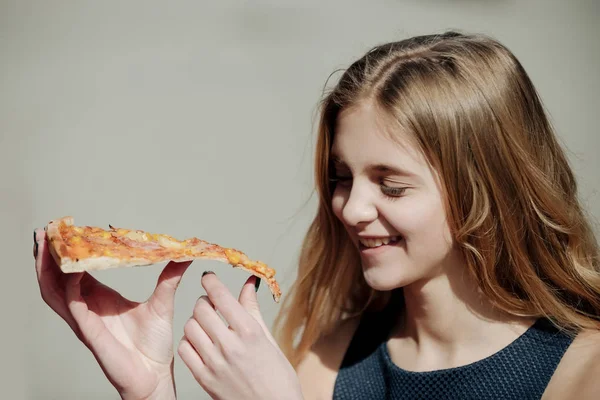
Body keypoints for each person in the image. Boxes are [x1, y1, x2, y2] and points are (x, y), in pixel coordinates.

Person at [34, 31, 600, 399]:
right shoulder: (329, 364)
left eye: (393, 186)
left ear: (487, 188)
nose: (350, 208)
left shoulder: (582, 372)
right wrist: (152, 389)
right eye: (341, 177)